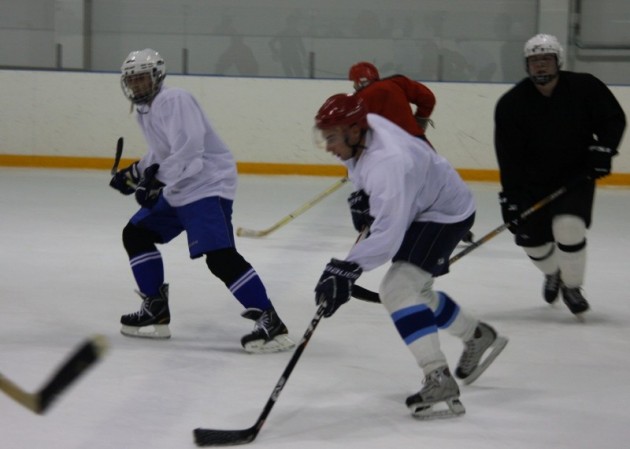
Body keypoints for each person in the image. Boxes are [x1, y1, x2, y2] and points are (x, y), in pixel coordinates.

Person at [312, 93, 508, 419]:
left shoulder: (388, 163)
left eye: (332, 137)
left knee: (398, 289)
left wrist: (348, 268)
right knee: (417, 291)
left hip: (444, 213)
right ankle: (477, 334)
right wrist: (363, 196)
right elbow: (367, 174)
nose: (328, 146)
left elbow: (387, 235)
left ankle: (438, 377)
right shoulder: (364, 131)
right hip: (423, 201)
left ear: (354, 131)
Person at [109, 49, 294, 353]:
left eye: (142, 78)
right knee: (136, 233)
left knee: (219, 257)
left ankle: (270, 321)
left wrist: (156, 181)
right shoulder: (145, 110)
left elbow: (190, 151)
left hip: (208, 184)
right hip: (181, 187)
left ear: (157, 76)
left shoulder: (174, 99)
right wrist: (135, 173)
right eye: (132, 80)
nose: (137, 85)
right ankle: (156, 309)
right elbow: (163, 151)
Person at [494, 34, 626, 317]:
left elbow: (613, 119)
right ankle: (554, 273)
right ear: (527, 65)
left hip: (575, 176)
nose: (540, 65)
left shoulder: (585, 87)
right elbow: (509, 157)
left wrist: (604, 150)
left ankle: (573, 287)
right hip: (532, 183)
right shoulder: (511, 104)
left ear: (558, 61)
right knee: (532, 242)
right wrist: (510, 198)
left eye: (546, 59)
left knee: (568, 225)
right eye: (534, 61)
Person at [348, 61, 475, 244]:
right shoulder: (396, 82)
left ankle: (379, 235)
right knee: (437, 189)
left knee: (397, 199)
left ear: (358, 81)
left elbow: (356, 138)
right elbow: (428, 98)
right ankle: (458, 228)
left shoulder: (358, 102)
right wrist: (419, 122)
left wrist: (357, 169)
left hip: (392, 158)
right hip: (420, 147)